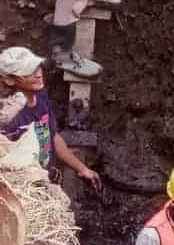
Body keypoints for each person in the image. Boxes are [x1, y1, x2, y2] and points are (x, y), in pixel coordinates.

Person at [0, 46, 100, 187]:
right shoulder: (9, 117)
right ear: (9, 80)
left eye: (37, 68)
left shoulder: (40, 96)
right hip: (25, 187)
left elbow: (52, 136)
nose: (38, 75)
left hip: (47, 180)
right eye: (28, 72)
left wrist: (82, 169)